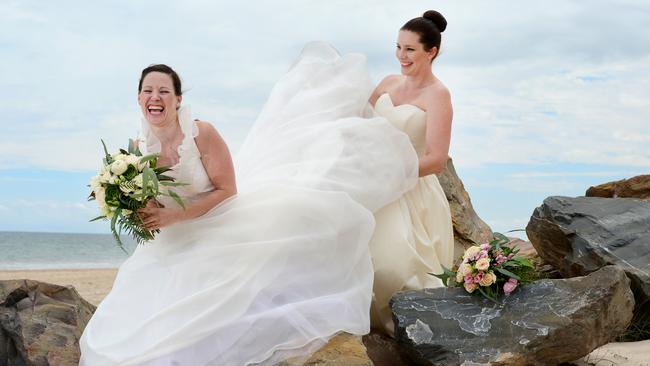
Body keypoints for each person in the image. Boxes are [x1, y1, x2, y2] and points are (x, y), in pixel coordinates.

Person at [80, 48, 419, 364]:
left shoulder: (201, 133)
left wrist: (173, 215)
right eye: (148, 91)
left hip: (219, 220)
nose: (155, 98)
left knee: (216, 305)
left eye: (164, 91)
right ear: (139, 98)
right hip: (174, 237)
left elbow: (227, 190)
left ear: (178, 99)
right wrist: (136, 208)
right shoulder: (138, 149)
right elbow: (154, 201)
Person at [367, 10, 455, 336]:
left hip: (411, 189)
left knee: (394, 264)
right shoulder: (387, 84)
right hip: (371, 182)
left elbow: (436, 159)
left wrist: (393, 172)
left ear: (430, 52)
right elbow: (357, 123)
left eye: (410, 50)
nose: (401, 56)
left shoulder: (438, 95)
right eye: (398, 47)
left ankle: (410, 336)